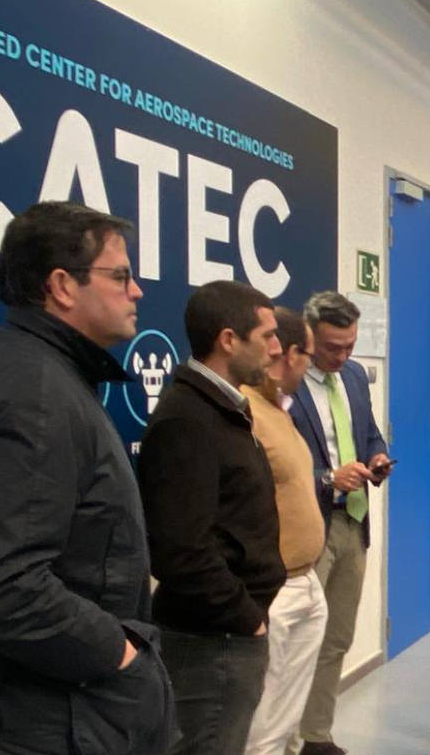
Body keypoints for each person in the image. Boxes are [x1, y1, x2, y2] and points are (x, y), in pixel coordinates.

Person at [0, 202, 177, 755]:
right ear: (61, 286)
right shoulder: (34, 395)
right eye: (120, 276)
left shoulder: (41, 375)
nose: (136, 292)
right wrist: (122, 654)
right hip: (37, 725)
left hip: (54, 715)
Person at [139, 280, 286, 755]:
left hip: (228, 634)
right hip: (210, 642)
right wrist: (245, 617)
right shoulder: (188, 420)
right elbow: (180, 550)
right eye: (267, 336)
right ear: (228, 340)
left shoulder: (222, 409)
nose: (277, 348)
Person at [292, 291, 392, 755]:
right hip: (308, 527)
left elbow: (368, 432)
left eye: (350, 346)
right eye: (333, 347)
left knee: (337, 637)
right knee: (298, 641)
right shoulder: (287, 381)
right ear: (308, 335)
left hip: (353, 520)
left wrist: (376, 456)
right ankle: (285, 742)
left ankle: (316, 735)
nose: (343, 356)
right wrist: (327, 477)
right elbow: (271, 460)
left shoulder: (351, 376)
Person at [242, 307, 330, 755]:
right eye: (309, 356)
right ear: (291, 354)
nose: (310, 367)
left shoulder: (281, 410)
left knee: (284, 723)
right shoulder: (246, 413)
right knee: (260, 724)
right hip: (272, 590)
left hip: (306, 580)